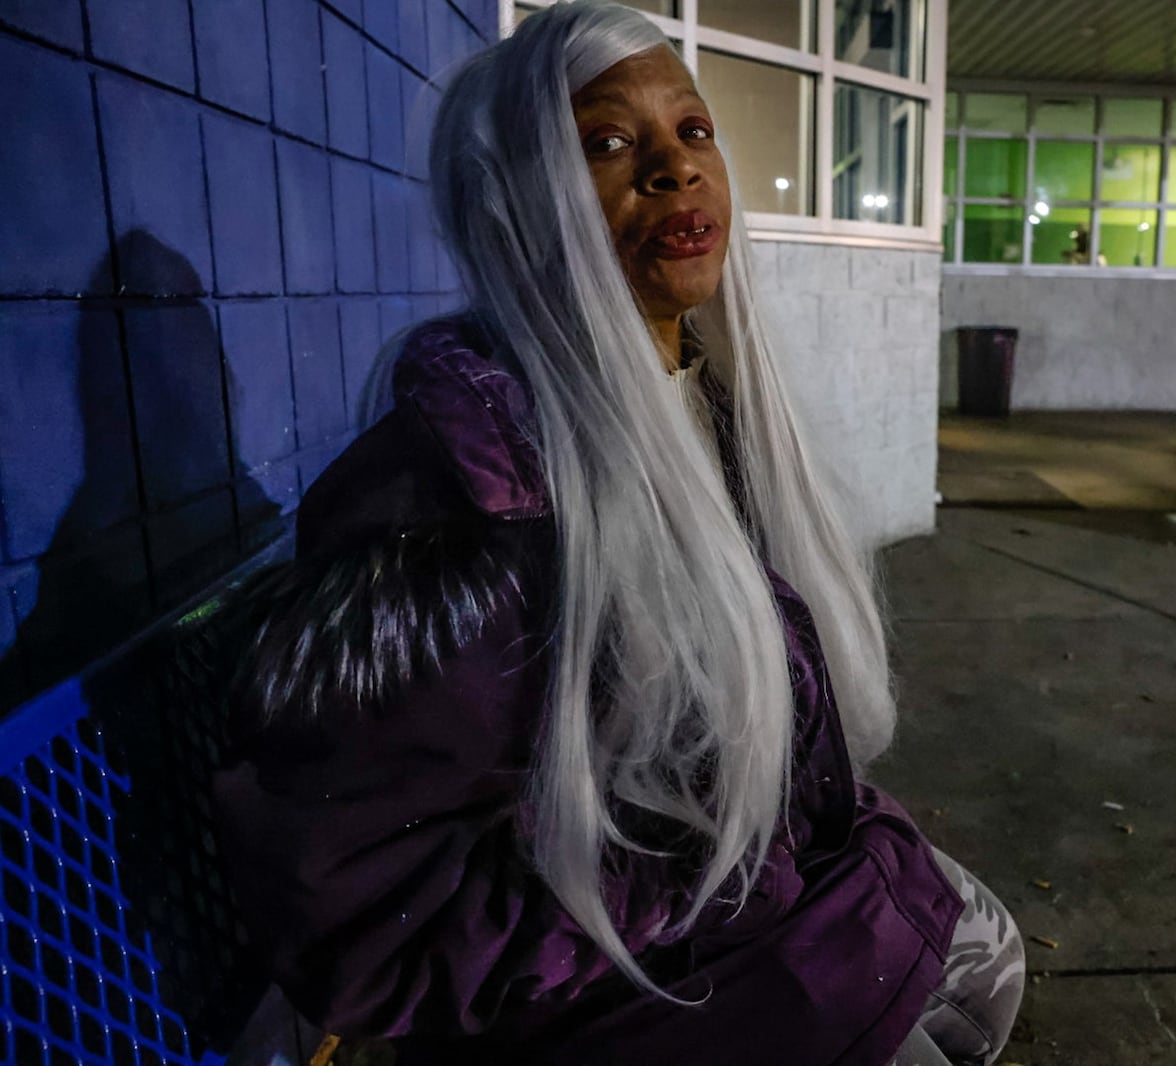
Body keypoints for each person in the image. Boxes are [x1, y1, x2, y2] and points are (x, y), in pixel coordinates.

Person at [211, 3, 1023, 1064]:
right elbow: (379, 932)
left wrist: (766, 846)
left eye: (691, 131)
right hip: (593, 1003)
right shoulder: (459, 504)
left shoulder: (698, 403)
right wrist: (719, 871)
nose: (674, 172)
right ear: (519, 208)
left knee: (980, 956)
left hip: (704, 934)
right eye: (606, 143)